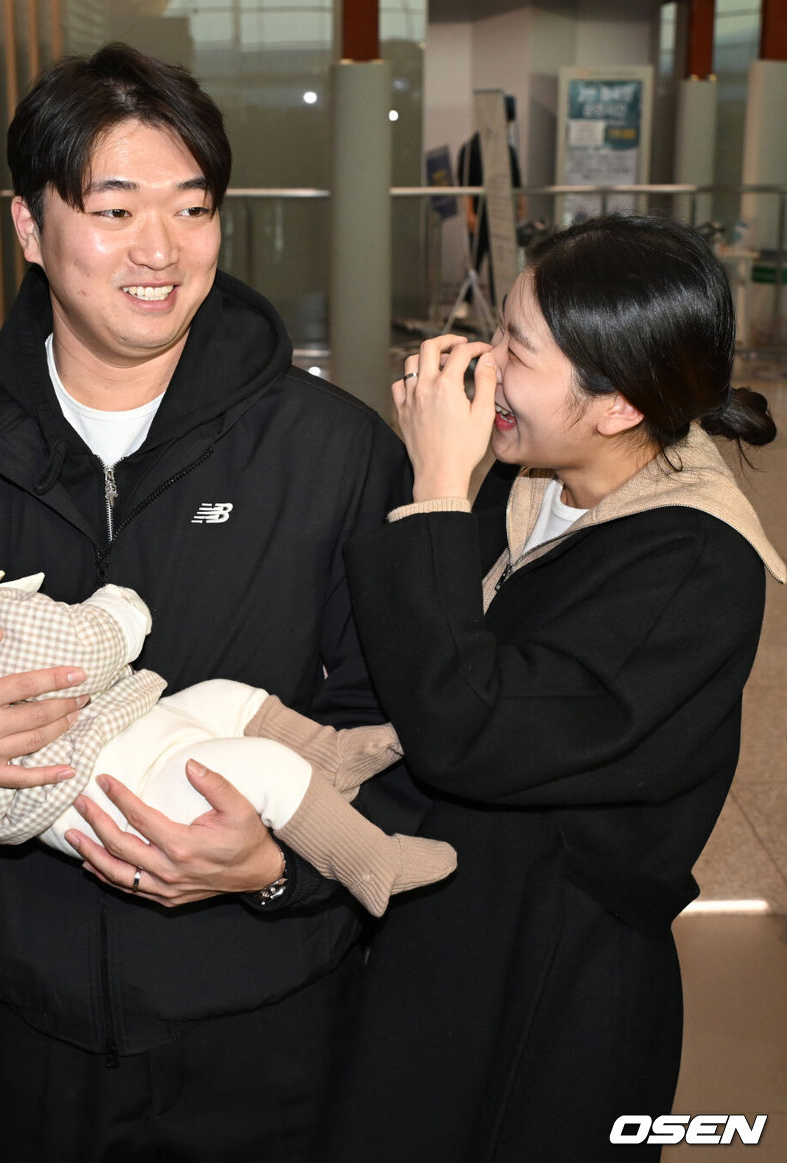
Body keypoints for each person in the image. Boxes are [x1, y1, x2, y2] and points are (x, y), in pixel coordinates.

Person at [0, 42, 415, 1162]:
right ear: (30, 228)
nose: (161, 250)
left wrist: (278, 871)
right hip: (35, 1028)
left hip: (270, 1016)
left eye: (193, 208)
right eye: (114, 207)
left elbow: (404, 727)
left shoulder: (329, 452)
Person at [332, 214, 785, 1160]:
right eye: (499, 329)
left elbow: (470, 725)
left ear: (617, 404)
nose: (484, 366)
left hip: (554, 981)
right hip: (448, 939)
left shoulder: (694, 563)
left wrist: (435, 489)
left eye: (517, 351)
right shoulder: (537, 479)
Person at [0, 529, 454, 915]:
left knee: (223, 697)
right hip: (118, 801)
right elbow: (78, 651)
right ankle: (372, 862)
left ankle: (330, 757)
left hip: (115, 755)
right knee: (263, 771)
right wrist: (123, 609)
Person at [456, 99, 525, 312]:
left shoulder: (507, 149)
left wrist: (520, 203)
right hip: (480, 212)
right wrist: (469, 212)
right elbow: (465, 183)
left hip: (502, 212)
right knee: (475, 258)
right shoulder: (471, 148)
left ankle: (500, 303)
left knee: (500, 259)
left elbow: (516, 181)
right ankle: (466, 300)